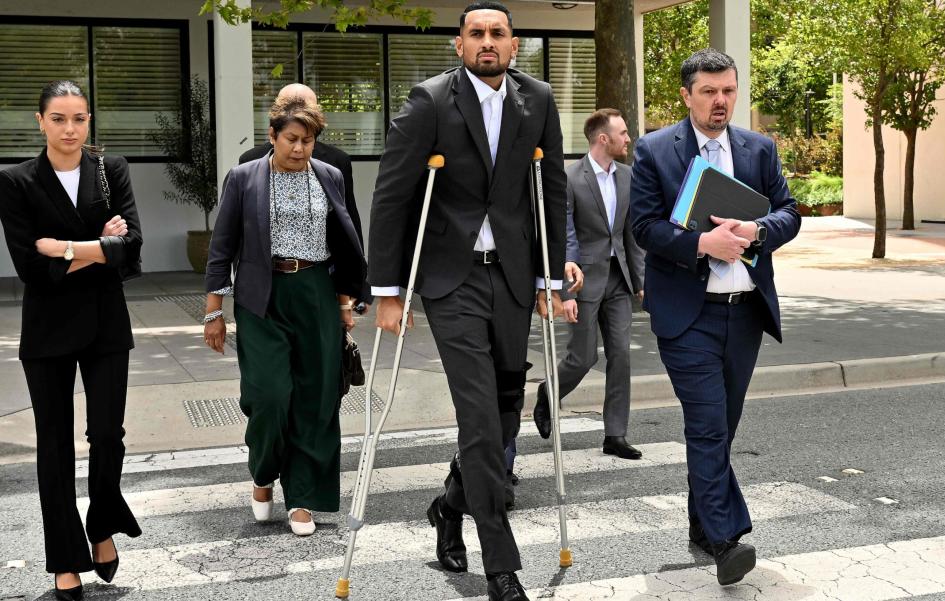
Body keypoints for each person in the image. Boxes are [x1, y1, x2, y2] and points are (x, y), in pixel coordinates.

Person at [366, 2, 566, 599]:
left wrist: (549, 279)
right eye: (476, 33)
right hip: (450, 282)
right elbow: (393, 195)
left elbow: (549, 190)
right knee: (479, 419)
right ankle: (501, 566)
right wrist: (387, 290)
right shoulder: (430, 101)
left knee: (503, 420)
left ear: (514, 44)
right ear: (458, 44)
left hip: (510, 277)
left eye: (497, 34)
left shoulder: (539, 101)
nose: (487, 42)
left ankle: (449, 506)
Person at [630, 48, 801, 585]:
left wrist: (757, 232)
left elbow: (789, 212)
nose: (721, 101)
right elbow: (643, 227)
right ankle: (728, 539)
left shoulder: (759, 149)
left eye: (728, 90)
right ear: (686, 96)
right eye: (708, 91)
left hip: (745, 313)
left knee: (721, 429)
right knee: (706, 426)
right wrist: (701, 242)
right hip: (688, 316)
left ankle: (701, 525)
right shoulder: (656, 150)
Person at [0, 80, 143, 601]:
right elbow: (29, 268)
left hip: (107, 323)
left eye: (78, 118)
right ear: (40, 121)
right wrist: (97, 247)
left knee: (108, 434)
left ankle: (101, 522)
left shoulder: (111, 170)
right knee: (54, 447)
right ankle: (65, 559)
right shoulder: (15, 181)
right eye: (58, 118)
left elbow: (132, 249)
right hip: (47, 330)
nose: (69, 129)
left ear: (89, 122)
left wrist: (63, 247)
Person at [203, 96, 367, 537]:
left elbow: (346, 239)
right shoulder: (243, 178)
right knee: (270, 395)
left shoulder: (329, 175)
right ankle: (263, 472)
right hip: (262, 296)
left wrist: (345, 303)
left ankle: (302, 499)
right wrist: (213, 312)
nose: (299, 148)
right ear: (272, 136)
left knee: (315, 401)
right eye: (291, 139)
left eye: (307, 141)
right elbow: (222, 246)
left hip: (315, 292)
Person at [532, 108, 645, 461]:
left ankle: (615, 434)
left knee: (621, 355)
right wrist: (564, 292)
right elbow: (565, 237)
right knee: (582, 357)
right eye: (623, 133)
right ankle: (549, 392)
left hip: (619, 280)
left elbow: (631, 235)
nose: (628, 139)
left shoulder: (629, 176)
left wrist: (640, 281)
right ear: (603, 139)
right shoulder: (570, 178)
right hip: (582, 281)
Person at [239, 83, 372, 309]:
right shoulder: (250, 163)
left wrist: (358, 284)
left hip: (321, 275)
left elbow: (347, 223)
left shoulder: (335, 161)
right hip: (266, 279)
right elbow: (240, 231)